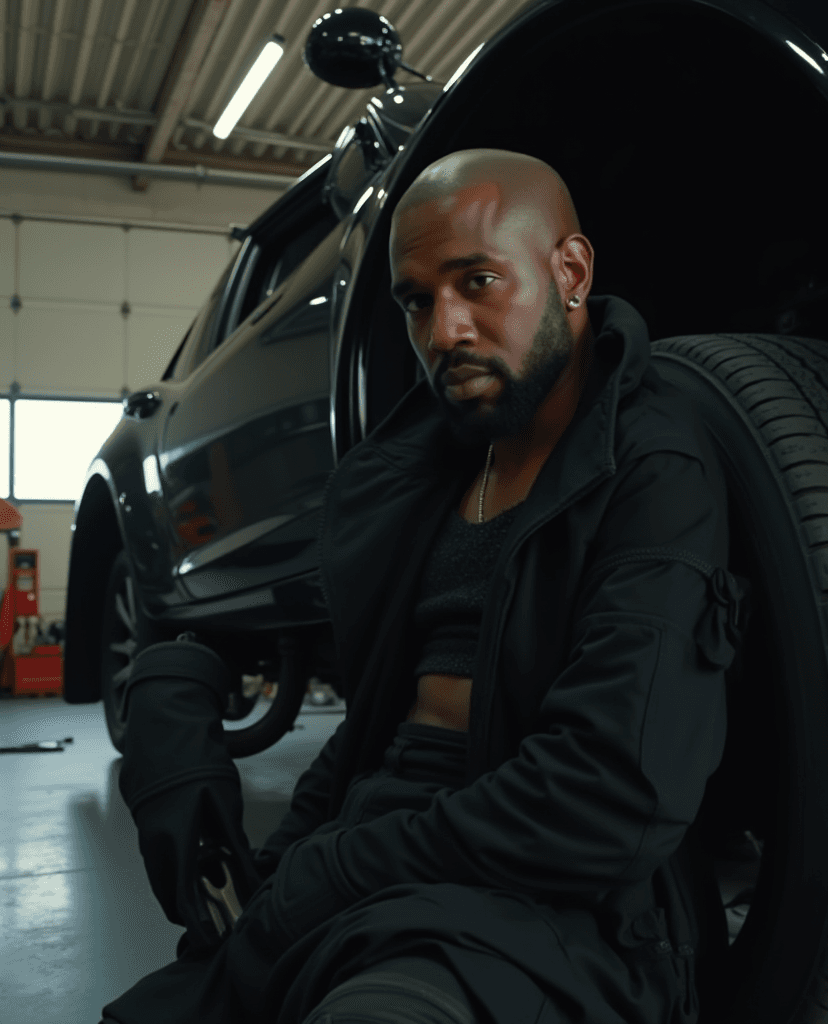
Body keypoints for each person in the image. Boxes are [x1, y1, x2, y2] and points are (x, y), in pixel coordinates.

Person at [100, 148, 745, 1024]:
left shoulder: (649, 466)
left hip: (548, 905)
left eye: (477, 281)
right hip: (389, 855)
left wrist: (331, 873)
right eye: (416, 302)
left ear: (571, 271)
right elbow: (380, 723)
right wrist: (284, 861)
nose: (444, 332)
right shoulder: (425, 477)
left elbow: (608, 798)